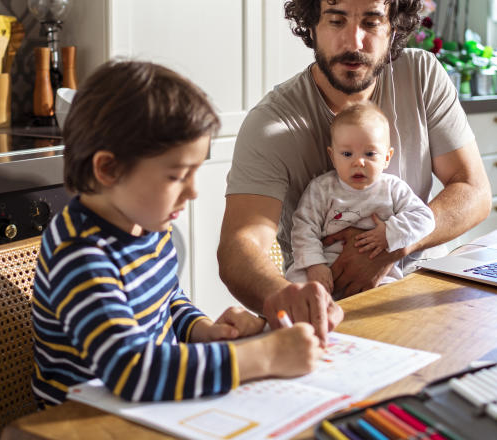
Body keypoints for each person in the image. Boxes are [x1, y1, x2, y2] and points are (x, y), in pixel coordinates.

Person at [218, 0, 492, 342]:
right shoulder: (272, 123)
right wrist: (289, 298)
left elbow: (474, 191)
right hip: (332, 307)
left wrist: (389, 246)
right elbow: (240, 246)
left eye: (370, 21)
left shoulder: (422, 75)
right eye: (336, 19)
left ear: (393, 27)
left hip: (423, 284)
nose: (354, 41)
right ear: (311, 25)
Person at [32, 60, 321, 405]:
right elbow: (132, 369)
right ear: (108, 169)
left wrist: (203, 332)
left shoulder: (148, 225)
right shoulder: (80, 256)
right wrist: (263, 356)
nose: (194, 191)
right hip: (85, 423)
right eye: (175, 176)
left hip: (148, 407)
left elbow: (167, 301)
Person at [286, 102, 437, 291]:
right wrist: (314, 264)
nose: (358, 162)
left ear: (387, 157)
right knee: (296, 288)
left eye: (370, 153)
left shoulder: (392, 188)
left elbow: (425, 218)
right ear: (333, 157)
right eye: (347, 154)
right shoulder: (322, 188)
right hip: (324, 265)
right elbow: (303, 228)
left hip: (377, 271)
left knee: (391, 295)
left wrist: (389, 233)